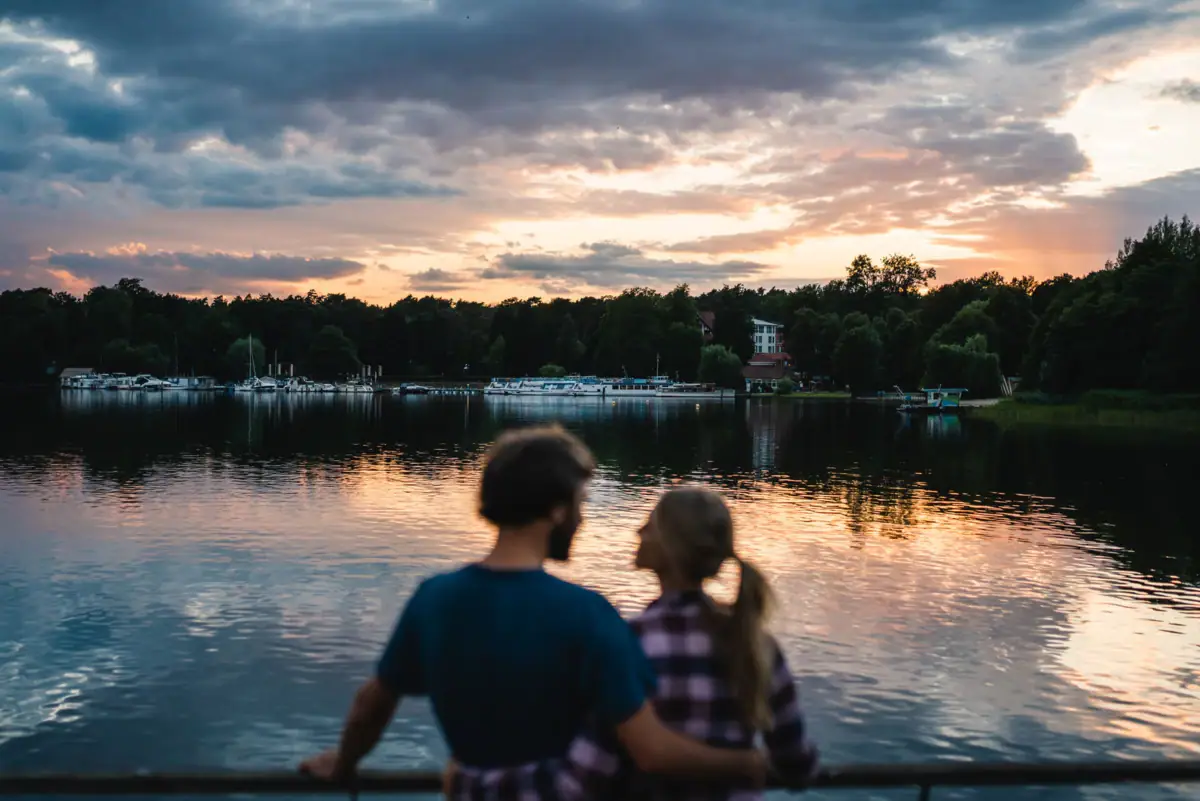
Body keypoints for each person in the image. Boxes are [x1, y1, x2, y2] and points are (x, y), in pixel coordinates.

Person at [299, 426, 766, 789]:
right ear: (556, 511)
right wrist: (749, 763)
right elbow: (652, 752)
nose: (584, 518)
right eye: (580, 503)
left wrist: (343, 763)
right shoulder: (586, 615)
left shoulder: (434, 598)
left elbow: (371, 705)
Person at [448, 486, 820, 801]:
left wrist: (472, 781)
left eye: (651, 524)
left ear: (670, 547)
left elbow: (580, 779)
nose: (638, 531)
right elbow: (798, 766)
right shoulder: (757, 644)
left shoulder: (629, 645)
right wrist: (746, 763)